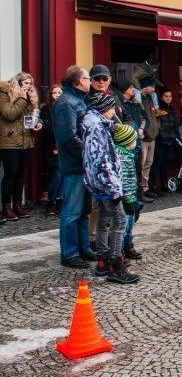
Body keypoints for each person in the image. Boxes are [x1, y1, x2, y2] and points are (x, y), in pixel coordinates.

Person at [82, 92, 138, 284]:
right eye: (112, 108)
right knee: (120, 221)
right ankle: (115, 265)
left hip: (98, 184)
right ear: (104, 108)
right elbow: (103, 161)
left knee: (104, 221)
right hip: (106, 185)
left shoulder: (94, 126)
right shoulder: (98, 129)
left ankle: (103, 262)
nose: (114, 112)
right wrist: (114, 189)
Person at [54, 66, 95, 268]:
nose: (90, 82)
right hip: (74, 165)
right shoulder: (65, 102)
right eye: (87, 78)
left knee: (83, 210)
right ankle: (69, 253)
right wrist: (89, 153)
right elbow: (68, 137)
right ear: (79, 81)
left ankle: (84, 248)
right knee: (72, 211)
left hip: (84, 164)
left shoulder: (79, 100)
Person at [0, 71, 41, 222]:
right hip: (9, 140)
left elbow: (34, 116)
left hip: (26, 140)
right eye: (25, 82)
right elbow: (9, 114)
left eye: (30, 83)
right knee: (11, 173)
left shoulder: (30, 97)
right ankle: (6, 207)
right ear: (17, 82)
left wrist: (38, 123)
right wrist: (22, 99)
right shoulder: (5, 94)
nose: (28, 86)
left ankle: (18, 204)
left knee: (21, 174)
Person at [112, 123, 143, 262]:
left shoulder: (128, 155)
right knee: (124, 224)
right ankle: (120, 252)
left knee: (131, 222)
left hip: (132, 195)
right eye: (134, 140)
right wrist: (129, 199)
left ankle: (128, 245)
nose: (136, 143)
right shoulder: (122, 158)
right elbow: (123, 182)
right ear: (127, 142)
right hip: (126, 198)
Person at [149, 88, 178, 194]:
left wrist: (176, 135)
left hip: (170, 139)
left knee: (165, 163)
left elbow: (175, 123)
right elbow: (157, 124)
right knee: (156, 163)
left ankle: (164, 184)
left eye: (170, 96)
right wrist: (160, 135)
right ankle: (152, 185)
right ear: (161, 97)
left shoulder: (171, 109)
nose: (168, 98)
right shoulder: (158, 109)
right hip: (160, 139)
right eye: (166, 96)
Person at [40, 84, 63, 216]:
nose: (58, 95)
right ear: (51, 96)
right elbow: (49, 128)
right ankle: (50, 202)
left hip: (62, 145)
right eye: (55, 93)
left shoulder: (64, 108)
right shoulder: (46, 109)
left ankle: (59, 201)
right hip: (52, 146)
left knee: (63, 177)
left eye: (60, 92)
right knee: (56, 176)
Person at [139, 77, 160, 199]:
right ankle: (140, 190)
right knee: (141, 164)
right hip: (144, 138)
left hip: (153, 137)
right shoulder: (139, 100)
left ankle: (145, 188)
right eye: (151, 87)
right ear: (144, 87)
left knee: (148, 164)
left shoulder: (151, 98)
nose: (153, 89)